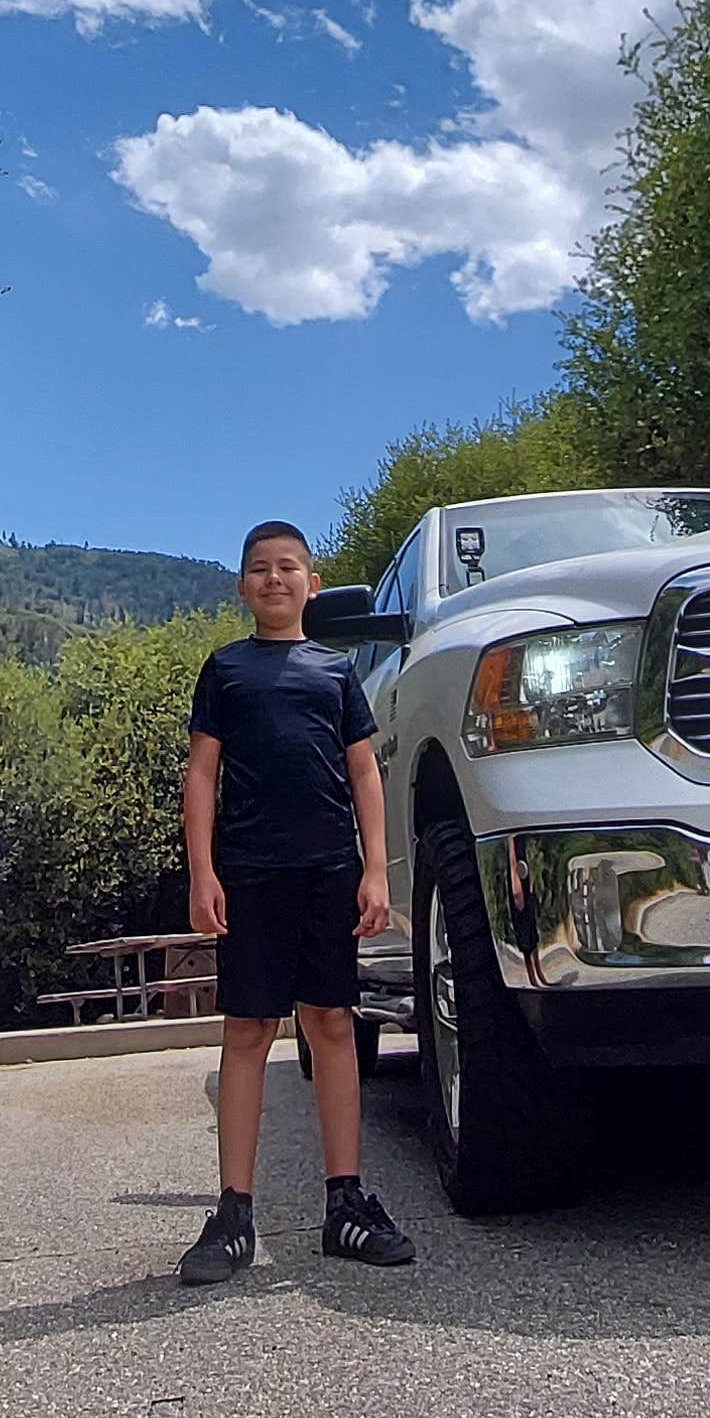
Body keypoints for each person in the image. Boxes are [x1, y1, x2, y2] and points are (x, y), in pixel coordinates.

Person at [177, 520, 416, 1281]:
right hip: (249, 874)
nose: (274, 579)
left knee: (331, 1025)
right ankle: (233, 1214)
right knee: (248, 1030)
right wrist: (202, 872)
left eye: (288, 568)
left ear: (311, 584)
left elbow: (365, 776)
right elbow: (202, 775)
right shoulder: (225, 671)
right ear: (242, 587)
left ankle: (345, 1204)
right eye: (259, 569)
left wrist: (375, 870)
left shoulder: (335, 672)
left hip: (327, 874)